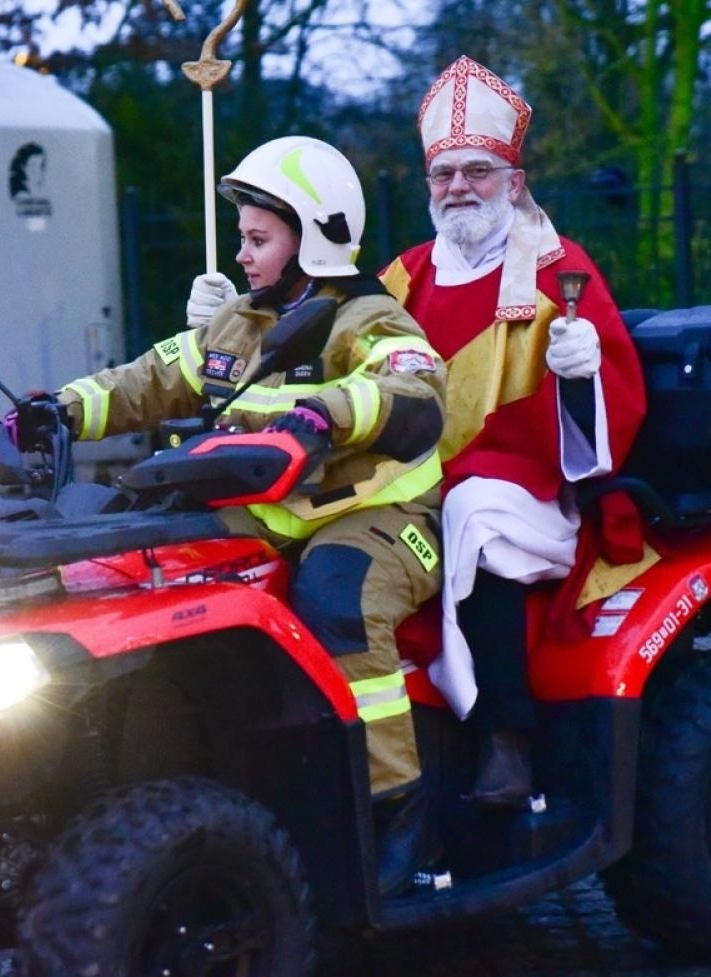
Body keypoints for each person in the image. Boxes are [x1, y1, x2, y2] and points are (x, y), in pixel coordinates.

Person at [186, 59, 649, 807]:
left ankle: (504, 737)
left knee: (472, 511)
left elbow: (604, 427)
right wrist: (228, 319)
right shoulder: (402, 277)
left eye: (478, 171)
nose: (458, 187)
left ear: (516, 181)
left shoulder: (561, 273)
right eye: (443, 175)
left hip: (524, 487)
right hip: (404, 475)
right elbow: (313, 342)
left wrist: (581, 372)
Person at [43, 136, 449, 893]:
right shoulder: (239, 321)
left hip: (384, 515)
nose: (243, 253)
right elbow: (151, 380)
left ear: (315, 237)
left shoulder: (368, 317)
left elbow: (418, 393)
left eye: (259, 238)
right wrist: (57, 412)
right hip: (273, 514)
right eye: (243, 237)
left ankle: (394, 804)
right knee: (160, 571)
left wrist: (329, 412)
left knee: (340, 596)